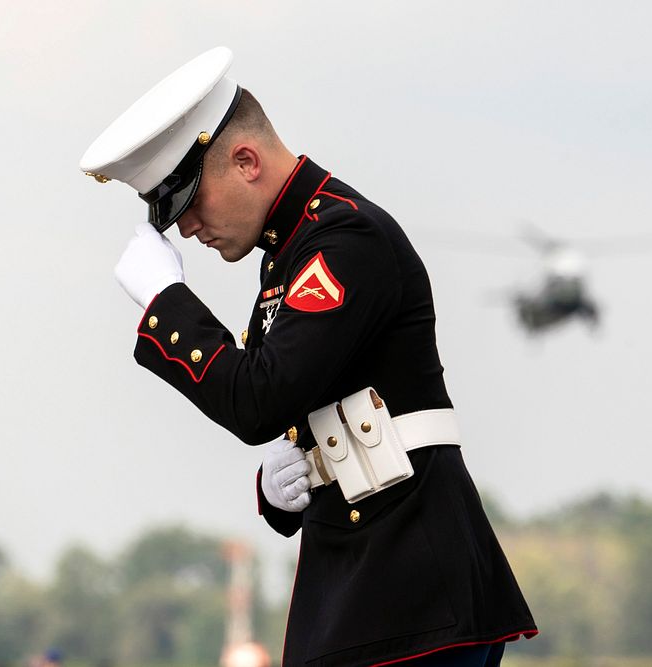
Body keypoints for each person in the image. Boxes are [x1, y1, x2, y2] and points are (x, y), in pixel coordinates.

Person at [80, 47, 538, 667]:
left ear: (245, 161)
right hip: (370, 575)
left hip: (412, 586)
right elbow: (288, 401)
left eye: (190, 203)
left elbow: (258, 400)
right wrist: (279, 488)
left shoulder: (344, 239)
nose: (188, 229)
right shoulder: (291, 253)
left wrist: (166, 302)